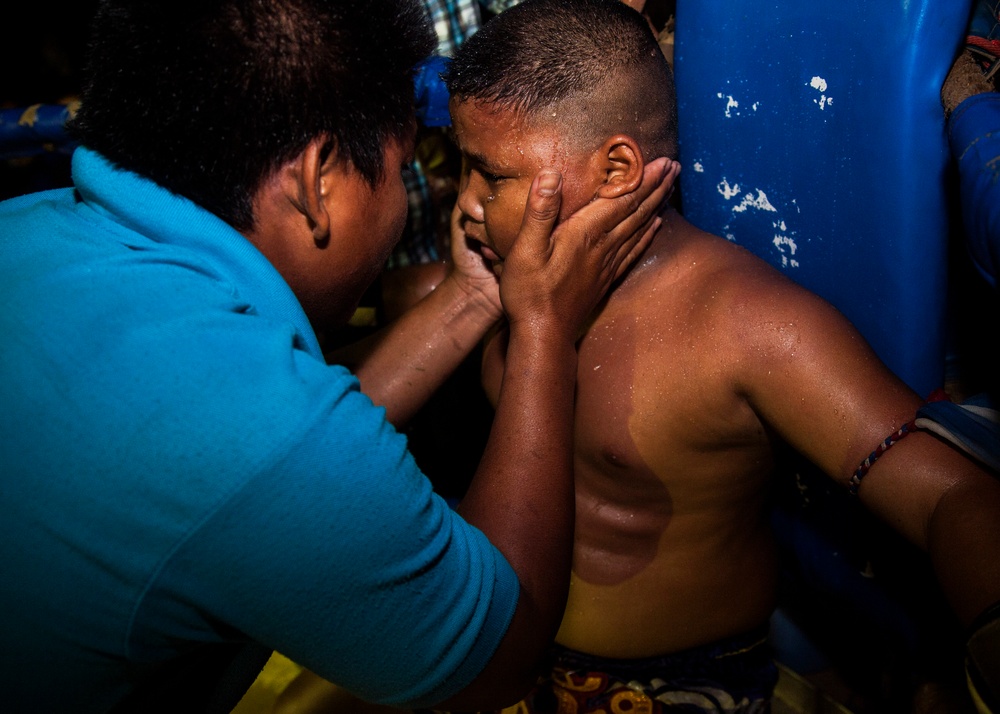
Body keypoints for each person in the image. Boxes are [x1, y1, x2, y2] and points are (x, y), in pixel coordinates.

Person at [0, 0, 676, 711]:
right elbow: (500, 654)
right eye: (403, 163)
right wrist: (542, 328)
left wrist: (474, 296)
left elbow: (284, 436)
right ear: (318, 182)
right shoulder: (259, 434)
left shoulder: (28, 233)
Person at [434, 0, 1000, 711]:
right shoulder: (505, 289)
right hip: (510, 658)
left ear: (616, 170)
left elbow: (949, 493)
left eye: (493, 176)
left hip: (678, 683)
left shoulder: (743, 324)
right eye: (463, 168)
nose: (467, 203)